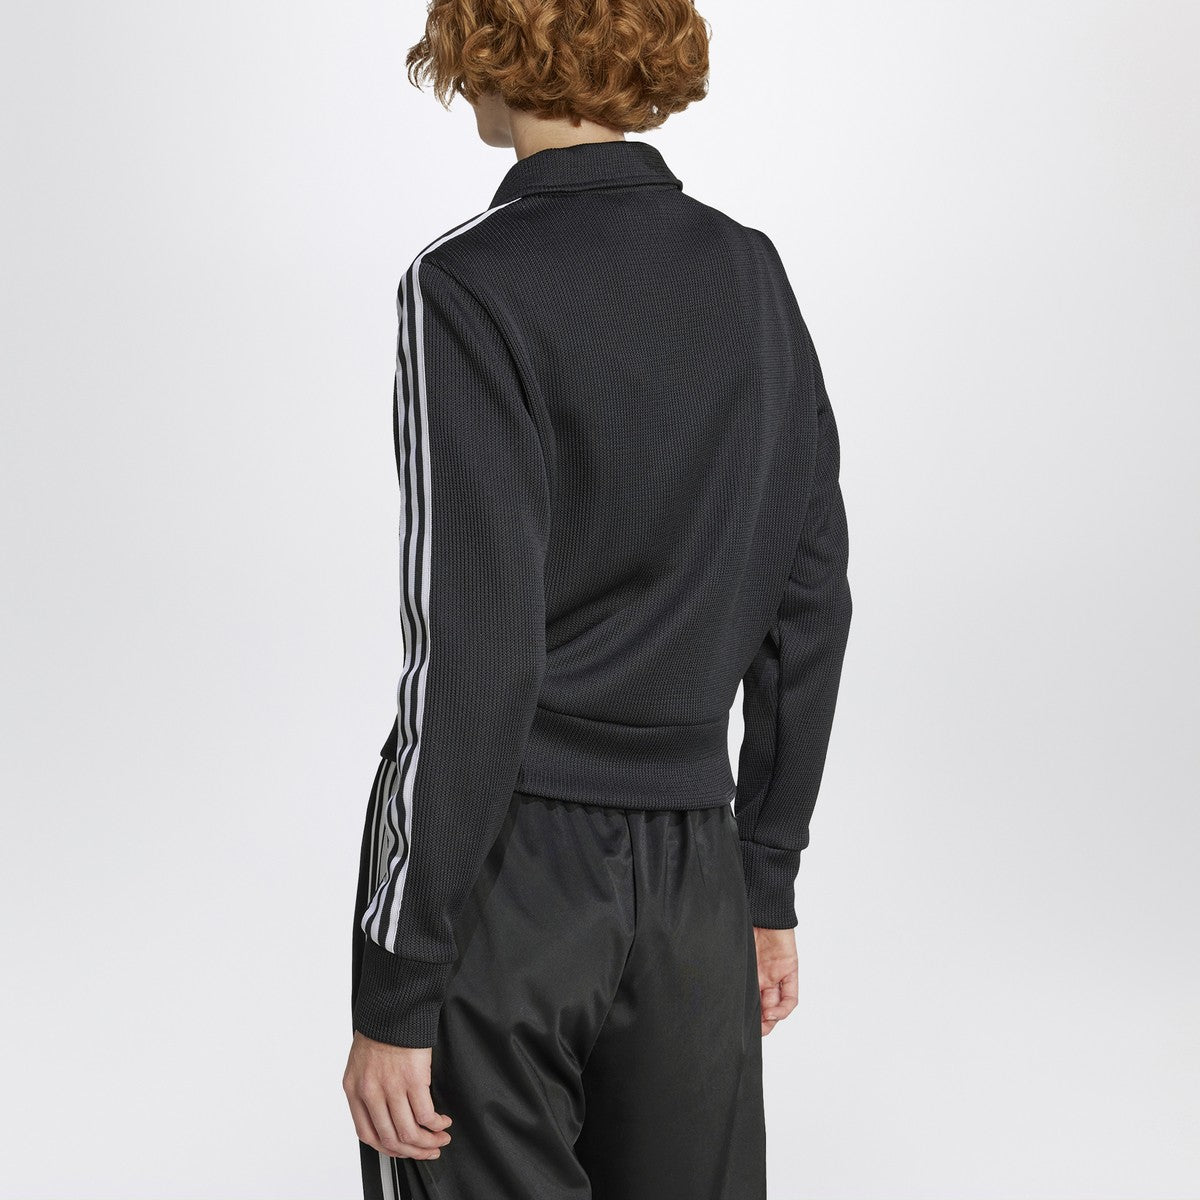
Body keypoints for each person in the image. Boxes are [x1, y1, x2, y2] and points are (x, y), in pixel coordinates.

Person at [342, 2, 854, 1197]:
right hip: (696, 877)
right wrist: (763, 878)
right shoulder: (749, 271)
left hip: (509, 871)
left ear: (483, 47)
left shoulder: (466, 285)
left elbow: (473, 654)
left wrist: (399, 985)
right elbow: (809, 602)